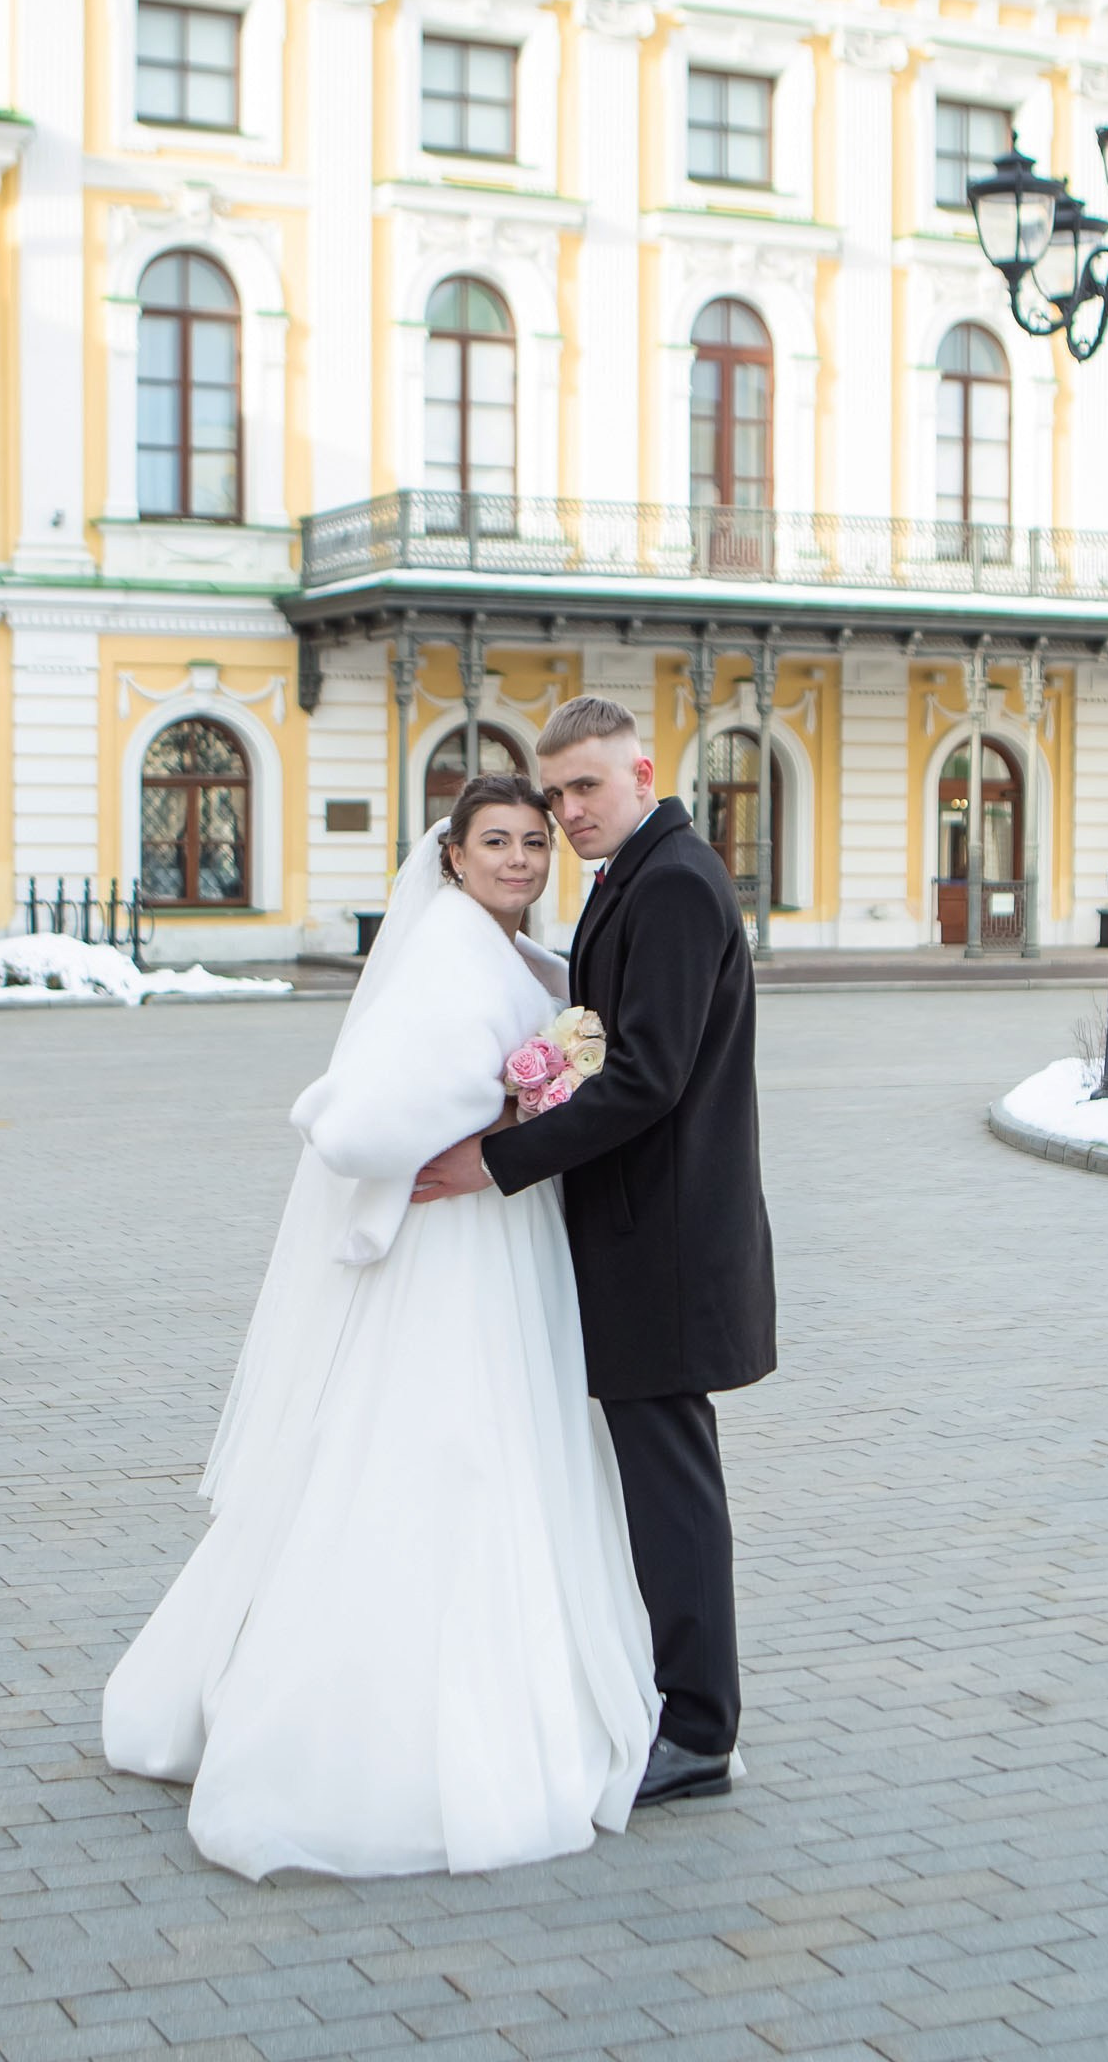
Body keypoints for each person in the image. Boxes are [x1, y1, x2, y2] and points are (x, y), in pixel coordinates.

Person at [101, 773, 657, 1878]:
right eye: (495, 841)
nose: (518, 859)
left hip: (495, 1238)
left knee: (478, 1453)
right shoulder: (453, 950)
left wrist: (520, 1104)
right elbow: (361, 1124)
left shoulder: (498, 949)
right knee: (443, 1450)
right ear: (451, 857)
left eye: (534, 842)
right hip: (455, 1256)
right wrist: (496, 1119)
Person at [414, 696, 777, 1807]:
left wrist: (497, 1159)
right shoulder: (638, 873)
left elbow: (646, 1077)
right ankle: (679, 1706)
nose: (567, 811)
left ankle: (700, 1731)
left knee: (673, 1489)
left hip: (661, 1243)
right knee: (663, 1483)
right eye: (555, 790)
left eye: (585, 788)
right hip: (645, 1234)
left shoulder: (669, 881)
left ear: (642, 770)